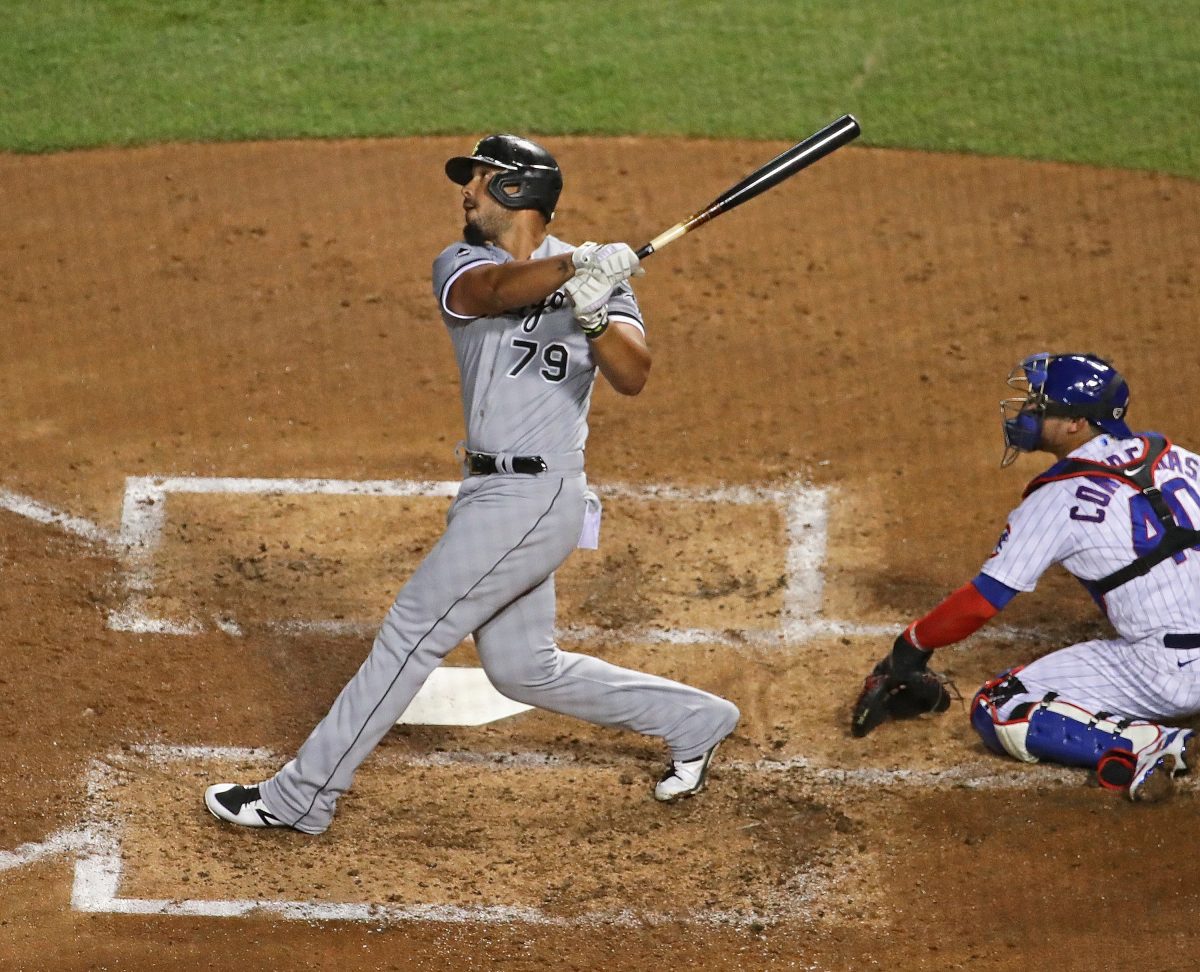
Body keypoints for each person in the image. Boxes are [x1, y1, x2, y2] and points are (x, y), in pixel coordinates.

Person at [204, 134, 740, 833]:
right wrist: (572, 269)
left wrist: (596, 312)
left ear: (518, 192)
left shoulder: (604, 279)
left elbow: (633, 374)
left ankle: (302, 797)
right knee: (522, 668)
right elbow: (487, 294)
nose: (467, 193)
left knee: (411, 633)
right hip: (489, 492)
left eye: (481, 181)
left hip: (538, 495)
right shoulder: (465, 262)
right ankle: (695, 718)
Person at [852, 352, 1200, 802]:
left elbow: (982, 601)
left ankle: (1151, 743)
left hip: (1168, 675)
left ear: (1075, 422)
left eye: (1041, 405)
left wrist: (912, 645)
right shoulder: (1177, 456)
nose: (1028, 413)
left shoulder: (1055, 501)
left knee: (999, 704)